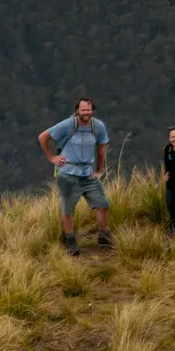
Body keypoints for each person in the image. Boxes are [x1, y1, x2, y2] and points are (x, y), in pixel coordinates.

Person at [39, 97, 113, 254]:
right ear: (77, 111)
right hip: (67, 173)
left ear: (92, 110)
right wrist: (51, 157)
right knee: (67, 209)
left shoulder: (98, 126)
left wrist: (99, 170)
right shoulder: (68, 124)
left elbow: (101, 149)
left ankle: (103, 236)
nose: (86, 112)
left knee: (103, 204)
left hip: (88, 173)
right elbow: (43, 137)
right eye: (83, 110)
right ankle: (70, 241)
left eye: (88, 110)